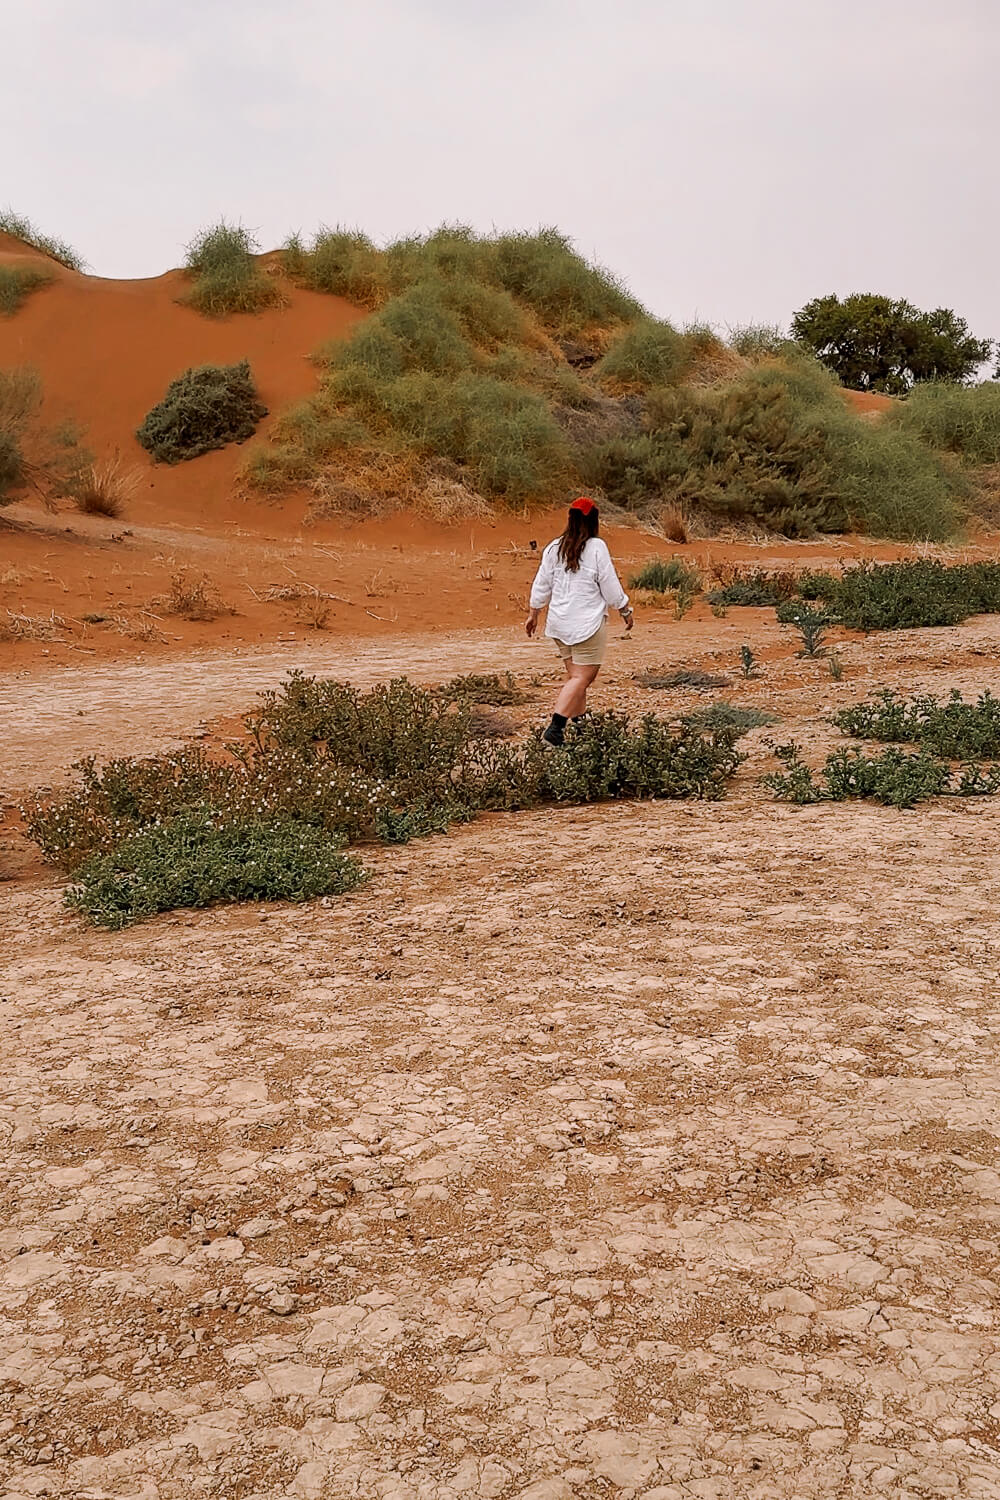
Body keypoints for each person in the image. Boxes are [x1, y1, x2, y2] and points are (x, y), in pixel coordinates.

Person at [525, 496, 633, 746]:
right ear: (593, 520)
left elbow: (541, 583)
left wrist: (534, 613)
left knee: (575, 677)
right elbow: (610, 585)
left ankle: (583, 732)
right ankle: (556, 728)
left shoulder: (555, 547)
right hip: (587, 624)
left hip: (559, 624)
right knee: (583, 678)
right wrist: (625, 609)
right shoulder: (596, 547)